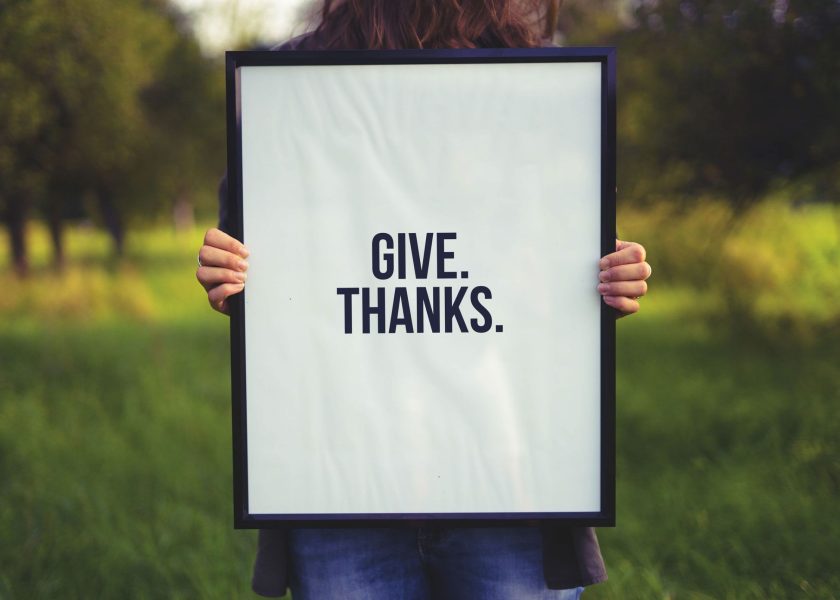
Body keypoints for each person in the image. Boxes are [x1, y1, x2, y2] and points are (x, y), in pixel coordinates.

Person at [196, 1, 652, 598]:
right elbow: (262, 263)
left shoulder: (539, 81)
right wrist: (227, 274)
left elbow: (552, 253)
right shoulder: (291, 82)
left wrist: (606, 278)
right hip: (340, 477)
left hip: (507, 473)